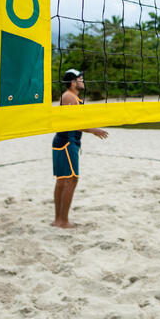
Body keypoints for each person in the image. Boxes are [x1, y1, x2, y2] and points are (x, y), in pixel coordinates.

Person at [52, 69, 109, 228]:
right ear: (72, 82)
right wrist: (93, 130)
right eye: (80, 78)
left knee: (63, 181)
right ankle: (62, 221)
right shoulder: (69, 97)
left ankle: (58, 220)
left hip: (66, 142)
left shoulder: (71, 97)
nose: (83, 80)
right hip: (67, 142)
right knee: (70, 180)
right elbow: (72, 122)